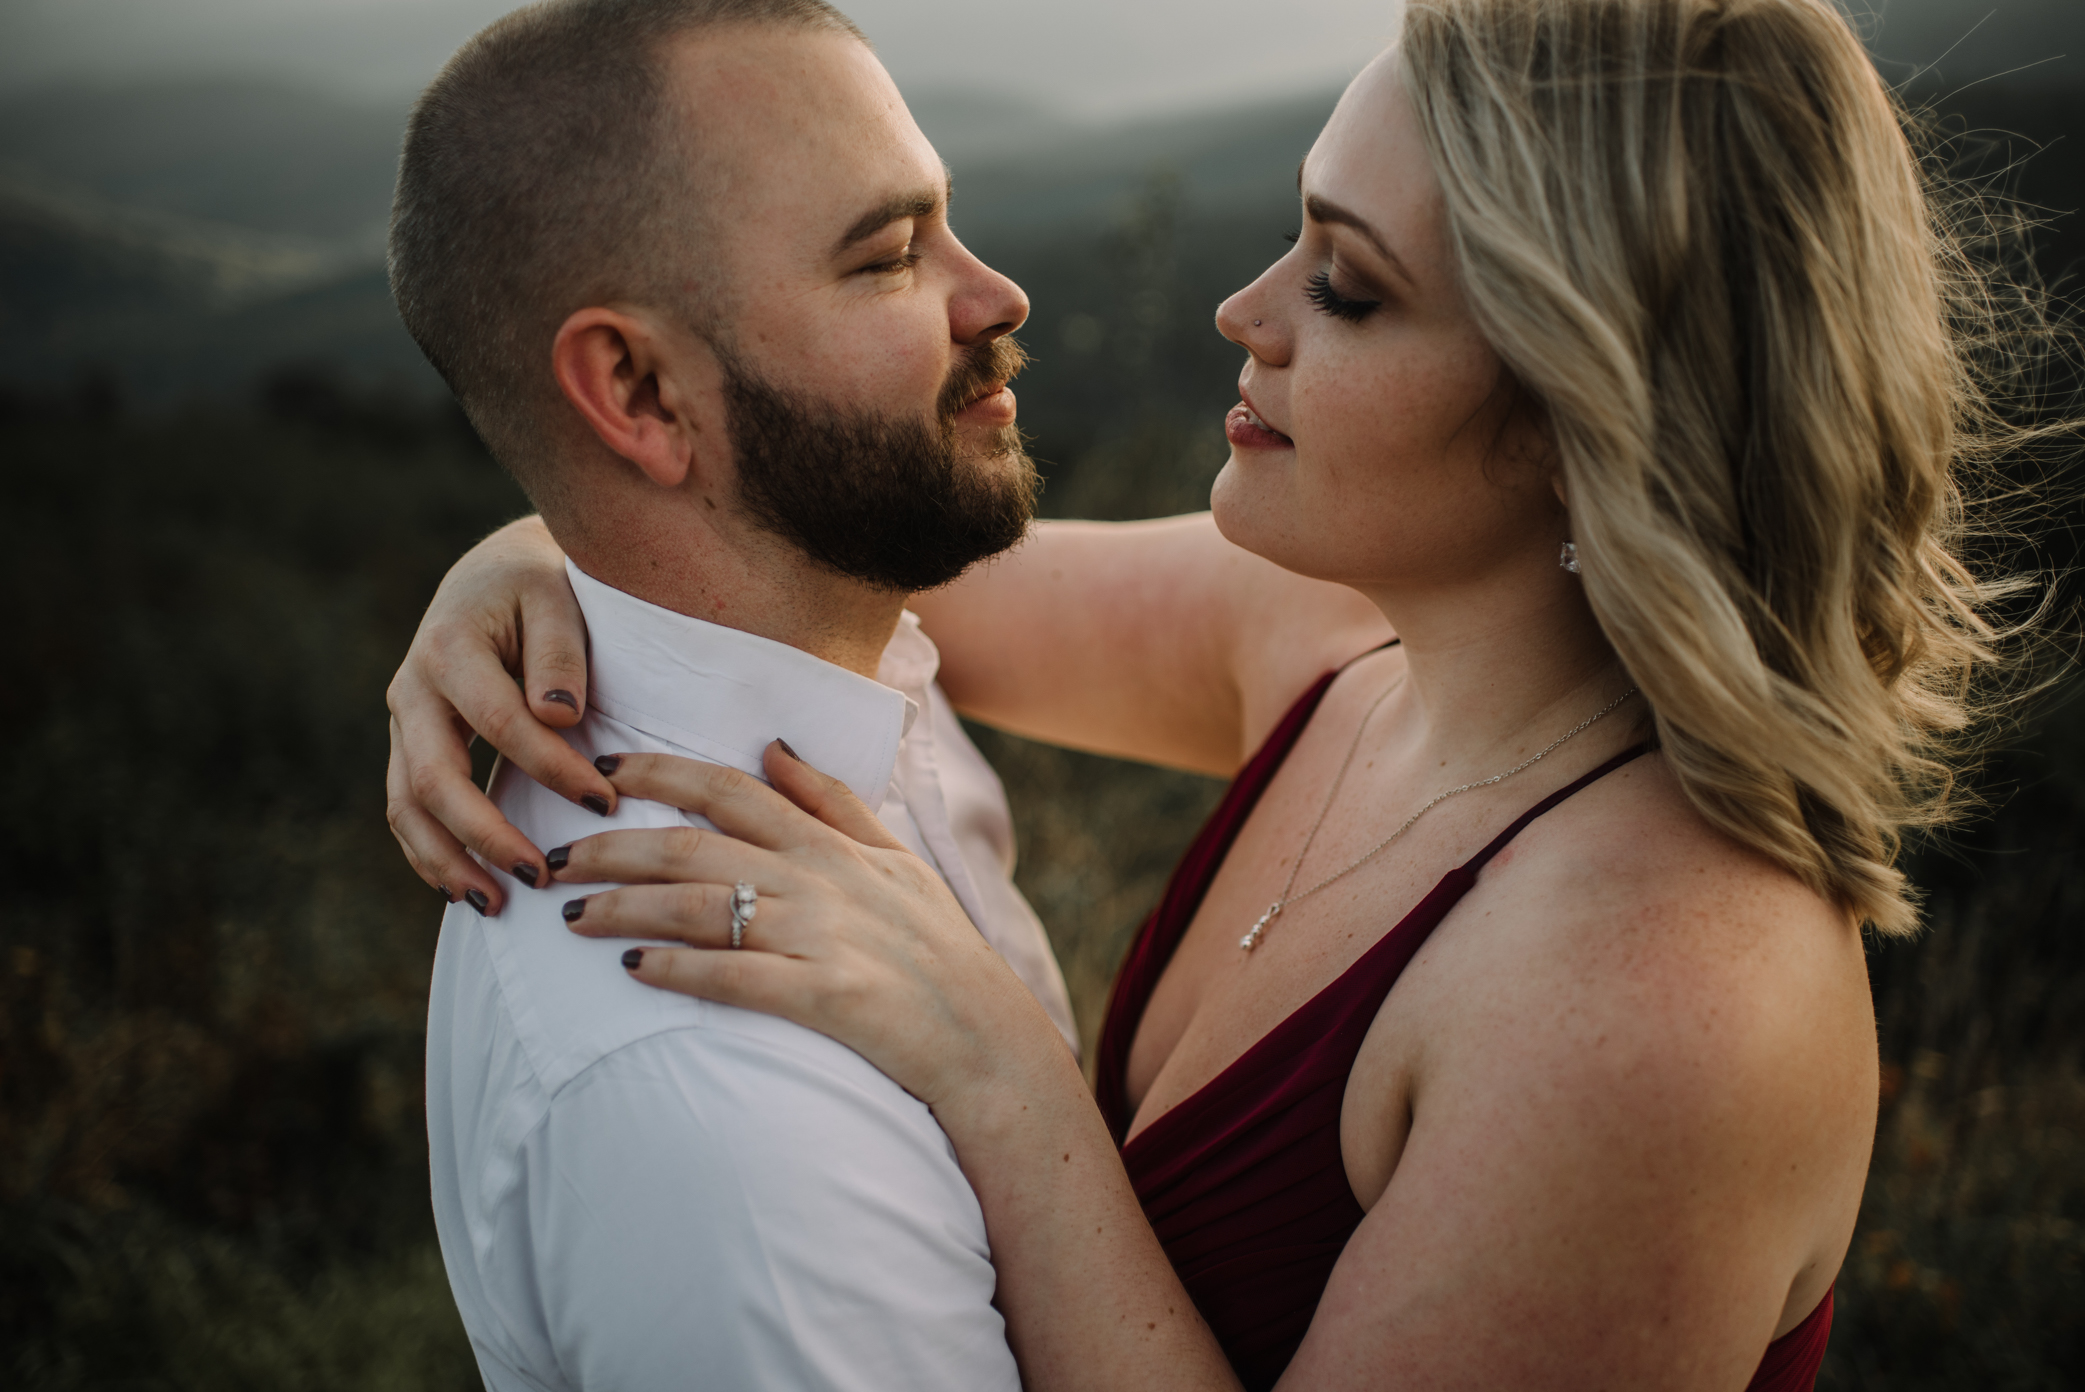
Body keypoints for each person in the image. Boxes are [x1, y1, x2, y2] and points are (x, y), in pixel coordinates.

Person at [388, 0, 2044, 1386]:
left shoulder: (1668, 1005)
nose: (1242, 314)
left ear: (1579, 416)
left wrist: (999, 1076)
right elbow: (800, 542)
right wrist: (532, 556)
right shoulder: (1330, 634)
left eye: (1348, 286)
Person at [388, 1, 1080, 1387]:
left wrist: (541, 540)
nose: (994, 295)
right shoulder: (726, 1112)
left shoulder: (854, 652)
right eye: (889, 255)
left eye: (946, 221)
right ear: (636, 389)